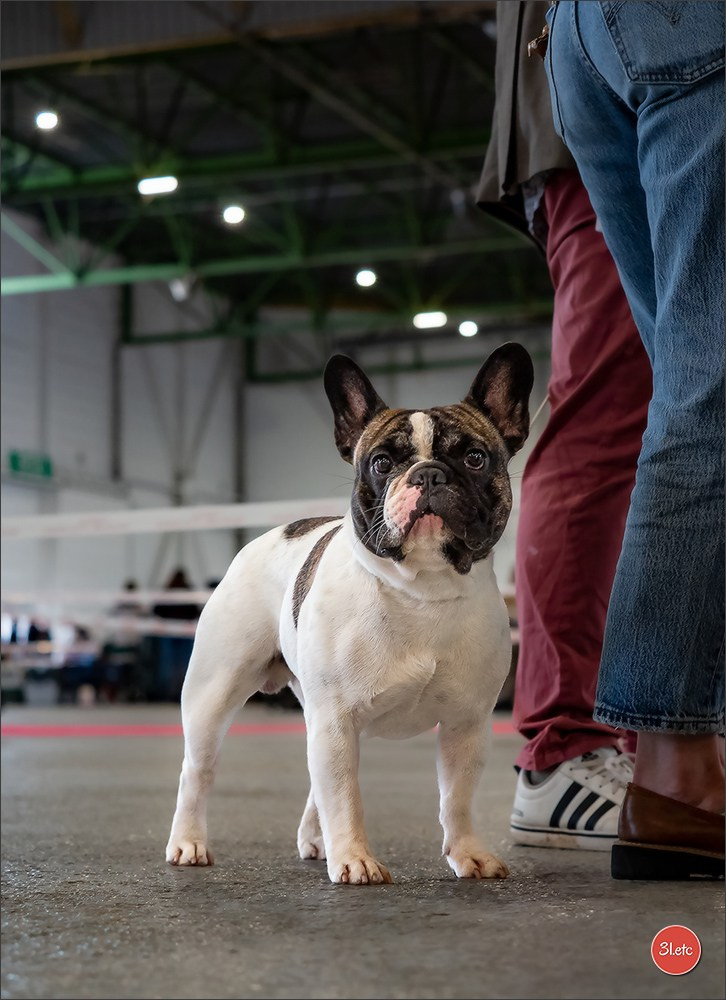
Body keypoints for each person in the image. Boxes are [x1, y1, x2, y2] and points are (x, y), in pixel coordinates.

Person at [540, 0, 724, 879]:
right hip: (688, 25)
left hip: (579, 36)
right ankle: (676, 775)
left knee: (692, 397)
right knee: (710, 403)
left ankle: (687, 766)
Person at [477, 1, 652, 850]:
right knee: (603, 423)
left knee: (666, 429)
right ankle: (562, 748)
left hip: (627, 90)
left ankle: (642, 729)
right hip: (612, 98)